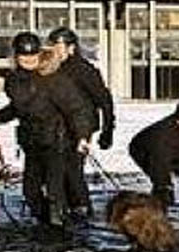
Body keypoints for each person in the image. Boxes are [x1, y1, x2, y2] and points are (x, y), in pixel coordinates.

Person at [0, 33, 95, 229]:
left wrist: (82, 136)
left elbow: (77, 109)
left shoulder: (53, 78)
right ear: (16, 56)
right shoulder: (14, 79)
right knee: (31, 193)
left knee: (55, 192)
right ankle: (49, 226)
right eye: (23, 56)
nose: (28, 60)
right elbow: (20, 106)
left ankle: (61, 233)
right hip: (32, 142)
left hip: (57, 142)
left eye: (32, 56)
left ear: (39, 54)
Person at [48, 27, 115, 218]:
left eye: (58, 47)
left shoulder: (84, 70)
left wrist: (108, 130)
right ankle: (66, 209)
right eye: (52, 46)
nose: (54, 51)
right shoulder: (53, 69)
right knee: (58, 171)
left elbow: (104, 99)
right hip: (58, 128)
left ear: (71, 48)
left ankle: (83, 211)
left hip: (81, 129)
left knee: (72, 170)